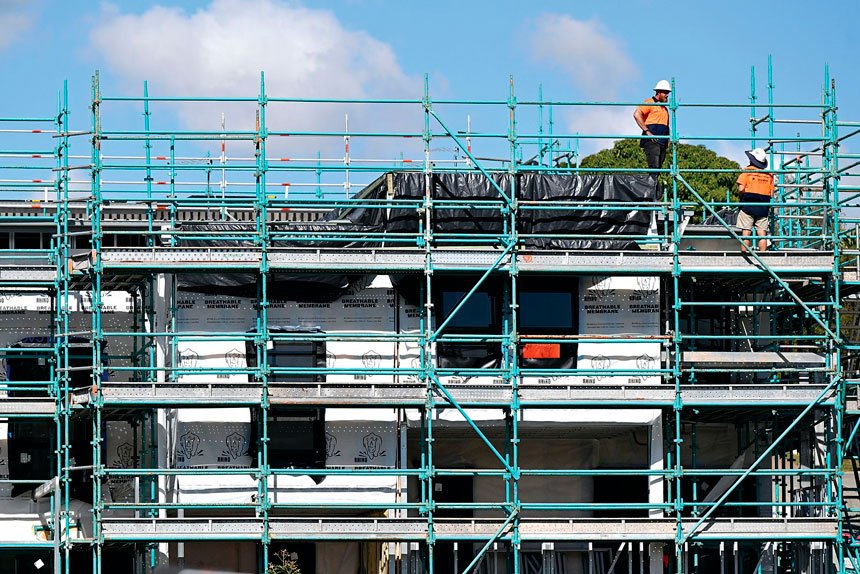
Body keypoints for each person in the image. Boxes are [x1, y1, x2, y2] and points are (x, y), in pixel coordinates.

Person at [736, 148, 774, 252]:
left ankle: (745, 255)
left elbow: (741, 188)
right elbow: (771, 193)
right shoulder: (769, 175)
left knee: (746, 232)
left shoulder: (746, 173)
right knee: (762, 233)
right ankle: (763, 255)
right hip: (763, 205)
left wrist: (741, 197)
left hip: (748, 203)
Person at [633, 80, 672, 170]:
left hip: (662, 142)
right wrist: (647, 131)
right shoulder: (649, 102)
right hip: (652, 141)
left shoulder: (664, 109)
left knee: (658, 169)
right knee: (654, 167)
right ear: (658, 92)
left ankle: (654, 183)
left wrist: (668, 140)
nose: (667, 95)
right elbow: (637, 114)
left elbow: (666, 125)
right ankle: (652, 183)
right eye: (665, 92)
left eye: (668, 93)